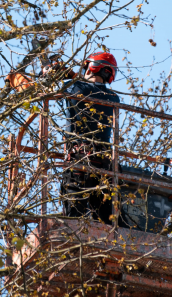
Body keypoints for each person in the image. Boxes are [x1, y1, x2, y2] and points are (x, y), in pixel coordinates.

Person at [56, 52, 121, 225]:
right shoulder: (114, 98)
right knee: (107, 225)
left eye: (86, 67)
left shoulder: (76, 88)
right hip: (106, 167)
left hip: (80, 162)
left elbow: (63, 82)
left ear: (92, 66)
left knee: (73, 221)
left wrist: (50, 68)